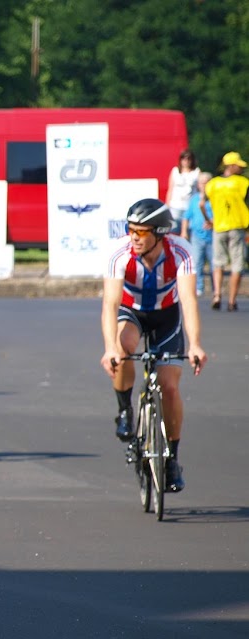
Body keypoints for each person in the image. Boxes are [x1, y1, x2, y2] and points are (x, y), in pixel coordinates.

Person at [101, 199, 207, 493]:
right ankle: (124, 410)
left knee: (169, 387)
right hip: (131, 311)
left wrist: (195, 344)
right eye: (130, 229)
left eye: (141, 232)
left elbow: (188, 300)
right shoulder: (119, 254)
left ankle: (171, 459)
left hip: (166, 315)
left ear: (159, 234)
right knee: (123, 350)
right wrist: (110, 348)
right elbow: (110, 304)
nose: (133, 236)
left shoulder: (180, 250)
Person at [204, 151, 248, 312]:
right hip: (237, 225)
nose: (241, 168)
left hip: (219, 225)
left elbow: (203, 203)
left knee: (218, 262)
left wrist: (208, 220)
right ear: (231, 166)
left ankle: (216, 295)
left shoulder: (213, 184)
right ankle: (232, 300)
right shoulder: (242, 182)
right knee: (237, 263)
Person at [180, 172, 215, 298]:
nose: (204, 185)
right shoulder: (194, 199)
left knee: (214, 264)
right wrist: (184, 231)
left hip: (212, 235)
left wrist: (212, 222)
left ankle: (215, 288)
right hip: (197, 235)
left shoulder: (215, 198)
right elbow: (186, 216)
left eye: (206, 182)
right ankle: (199, 287)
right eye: (201, 183)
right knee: (197, 263)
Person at [165, 149, 200, 234]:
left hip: (190, 206)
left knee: (188, 232)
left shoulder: (196, 172)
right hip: (176, 206)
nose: (186, 161)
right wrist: (167, 205)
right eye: (184, 159)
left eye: (189, 159)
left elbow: (199, 189)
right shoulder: (175, 171)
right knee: (174, 231)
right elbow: (170, 189)